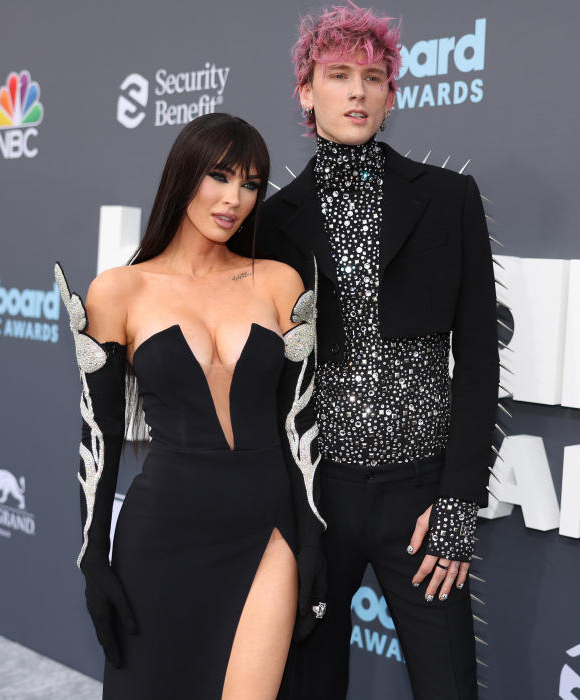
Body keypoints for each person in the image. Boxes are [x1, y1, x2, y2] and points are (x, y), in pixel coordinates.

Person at [256, 5, 499, 699]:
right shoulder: (271, 221)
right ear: (307, 91)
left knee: (449, 686)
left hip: (421, 497)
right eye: (339, 75)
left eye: (373, 76)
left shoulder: (450, 199)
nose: (357, 91)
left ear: (393, 93)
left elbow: (479, 362)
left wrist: (456, 502)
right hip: (316, 497)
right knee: (307, 686)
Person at [54, 112, 325, 699]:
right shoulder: (119, 291)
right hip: (162, 536)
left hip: (266, 533)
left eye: (251, 184)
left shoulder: (279, 283)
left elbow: (300, 430)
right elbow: (96, 437)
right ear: (183, 175)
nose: (234, 199)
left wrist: (314, 545)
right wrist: (91, 559)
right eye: (220, 177)